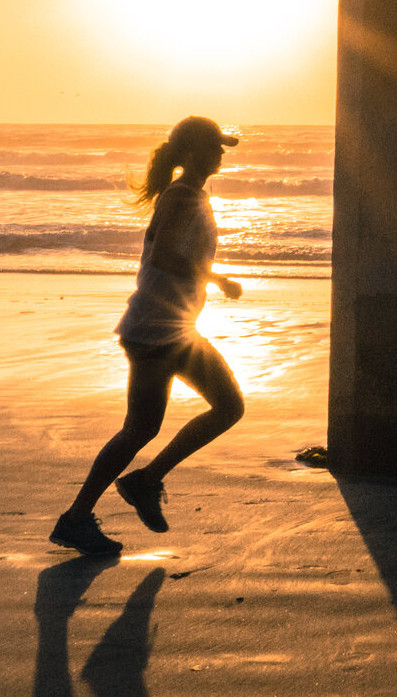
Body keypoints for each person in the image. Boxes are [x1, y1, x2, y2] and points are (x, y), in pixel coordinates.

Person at [50, 116, 248, 556]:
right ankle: (84, 513)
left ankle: (141, 482)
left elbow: (175, 255)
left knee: (216, 410)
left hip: (171, 329)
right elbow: (162, 257)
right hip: (157, 331)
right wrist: (213, 279)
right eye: (216, 147)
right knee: (143, 428)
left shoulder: (193, 194)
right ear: (195, 151)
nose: (221, 154)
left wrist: (211, 281)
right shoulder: (181, 196)